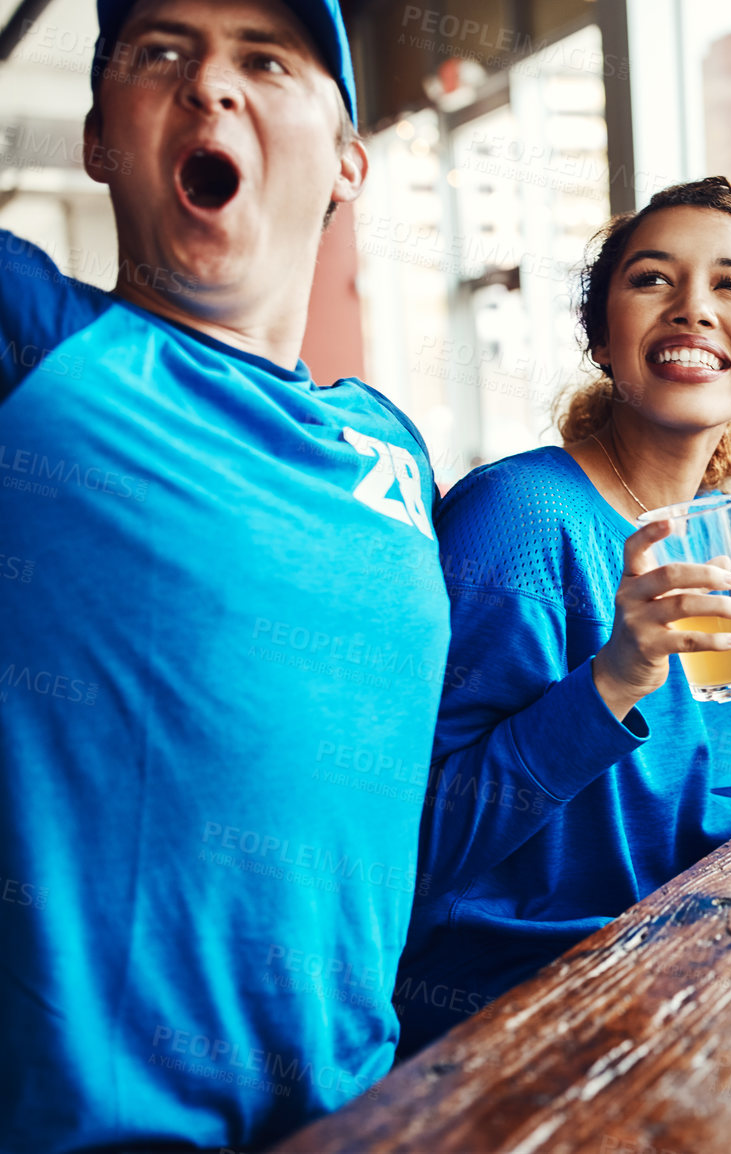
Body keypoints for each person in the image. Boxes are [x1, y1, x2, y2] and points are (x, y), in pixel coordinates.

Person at [0, 1, 452, 1148]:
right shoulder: (38, 350)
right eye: (159, 54)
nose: (210, 86)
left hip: (365, 1108)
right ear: (100, 138)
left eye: (265, 60)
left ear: (349, 163)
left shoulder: (392, 446)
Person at [395, 177, 731, 1055]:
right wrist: (615, 677)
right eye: (653, 280)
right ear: (601, 337)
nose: (692, 309)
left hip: (675, 966)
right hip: (519, 1012)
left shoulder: (712, 520)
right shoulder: (519, 520)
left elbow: (692, 791)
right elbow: (420, 843)